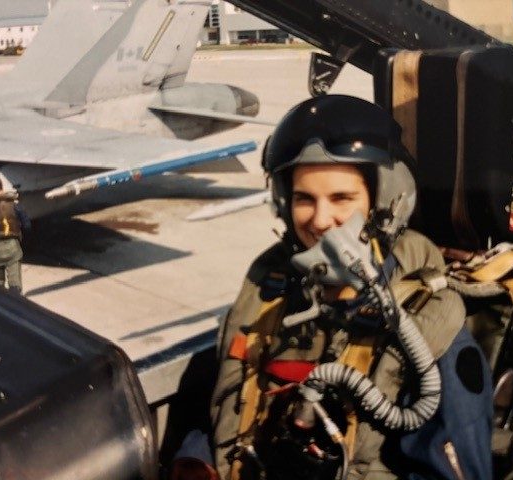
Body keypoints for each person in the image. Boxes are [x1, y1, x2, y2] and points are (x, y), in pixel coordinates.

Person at [210, 95, 493, 480]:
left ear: (383, 206)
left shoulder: (430, 328)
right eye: (304, 199)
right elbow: (221, 401)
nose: (321, 220)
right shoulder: (268, 290)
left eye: (342, 198)